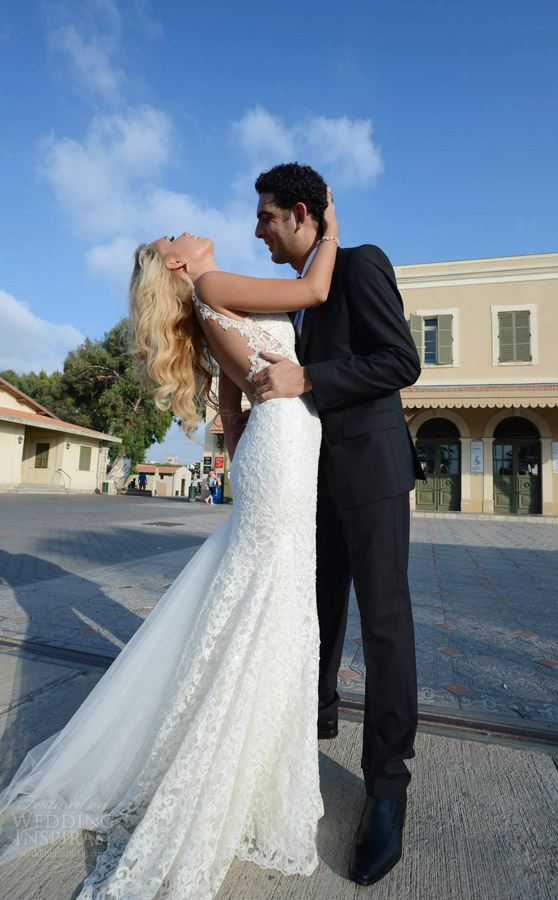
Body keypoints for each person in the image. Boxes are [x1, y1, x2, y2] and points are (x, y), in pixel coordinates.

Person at [0, 194, 339, 899]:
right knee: (272, 601)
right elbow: (314, 288)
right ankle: (238, 771)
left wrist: (250, 467)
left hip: (272, 450)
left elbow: (230, 412)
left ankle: (242, 759)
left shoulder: (208, 309)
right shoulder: (214, 286)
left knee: (263, 601)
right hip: (283, 448)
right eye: (174, 234)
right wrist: (329, 227)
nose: (186, 228)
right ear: (180, 262)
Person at [251, 162, 424, 887]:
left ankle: (387, 787)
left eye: (265, 216)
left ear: (299, 213)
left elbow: (400, 361)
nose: (256, 229)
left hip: (373, 472)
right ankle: (315, 723)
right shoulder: (290, 297)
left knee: (383, 624)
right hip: (308, 481)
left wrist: (309, 377)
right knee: (314, 616)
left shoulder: (358, 265)